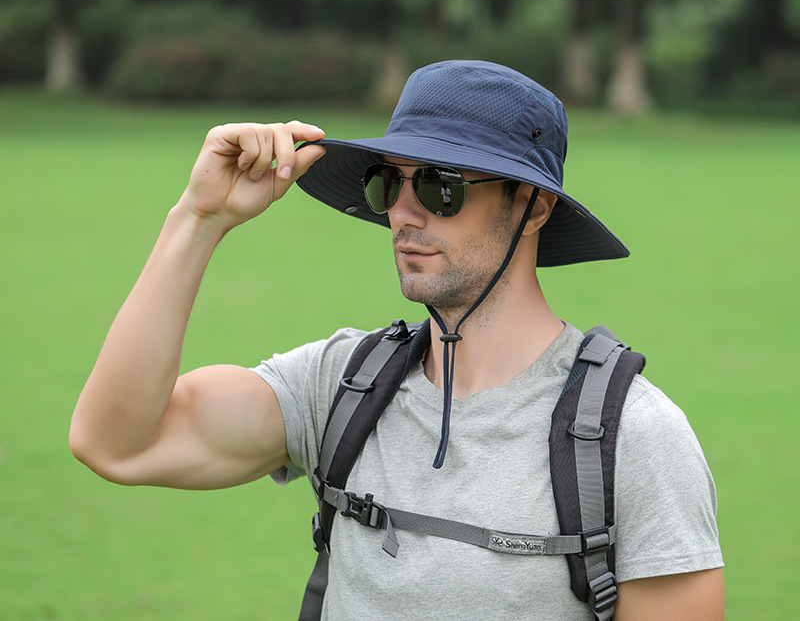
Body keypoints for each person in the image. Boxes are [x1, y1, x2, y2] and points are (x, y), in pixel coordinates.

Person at [70, 60, 724, 619]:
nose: (403, 213)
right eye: (389, 182)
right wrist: (198, 219)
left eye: (441, 187)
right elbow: (119, 443)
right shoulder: (340, 385)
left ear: (533, 205)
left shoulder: (633, 439)